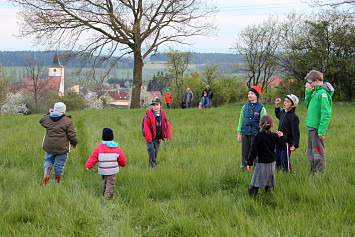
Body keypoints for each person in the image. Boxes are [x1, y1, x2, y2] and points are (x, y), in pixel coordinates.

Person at [39, 102, 78, 185]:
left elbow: (41, 120)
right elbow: (72, 134)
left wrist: (48, 113)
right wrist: (74, 143)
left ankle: (46, 174)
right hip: (62, 148)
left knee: (48, 160)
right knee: (59, 164)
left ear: (53, 110)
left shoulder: (48, 119)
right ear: (63, 112)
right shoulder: (67, 121)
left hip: (49, 146)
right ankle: (57, 180)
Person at [247, 115, 286, 197]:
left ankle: (252, 197)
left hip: (262, 163)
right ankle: (270, 195)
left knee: (256, 182)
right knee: (269, 180)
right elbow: (282, 146)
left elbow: (253, 151)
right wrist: (281, 137)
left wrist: (249, 163)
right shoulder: (274, 136)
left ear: (260, 125)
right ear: (272, 125)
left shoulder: (258, 136)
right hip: (272, 163)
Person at [305, 70, 334, 173]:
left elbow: (326, 114)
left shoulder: (322, 94)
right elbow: (308, 105)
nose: (309, 84)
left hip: (317, 129)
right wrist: (308, 92)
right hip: (311, 127)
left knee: (318, 152)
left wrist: (321, 131)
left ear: (316, 80)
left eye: (310, 82)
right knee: (311, 152)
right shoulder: (315, 92)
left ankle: (319, 174)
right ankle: (313, 171)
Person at [85, 128, 126, 199]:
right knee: (110, 184)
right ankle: (107, 197)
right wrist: (123, 164)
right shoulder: (116, 148)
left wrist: (88, 166)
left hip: (103, 170)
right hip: (112, 170)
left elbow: (93, 157)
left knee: (105, 181)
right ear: (112, 138)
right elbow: (122, 159)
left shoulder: (99, 148)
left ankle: (104, 192)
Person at [237, 86, 266, 170]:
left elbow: (264, 123)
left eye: (252, 93)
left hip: (256, 134)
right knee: (245, 152)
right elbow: (241, 120)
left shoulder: (261, 108)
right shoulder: (245, 107)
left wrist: (262, 135)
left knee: (256, 152)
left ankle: (258, 169)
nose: (250, 95)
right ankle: (244, 168)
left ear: (257, 95)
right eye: (249, 93)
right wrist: (239, 132)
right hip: (245, 132)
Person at [142, 98, 171, 167]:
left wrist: (168, 135)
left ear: (160, 106)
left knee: (155, 152)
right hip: (150, 137)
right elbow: (146, 128)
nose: (155, 107)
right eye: (153, 105)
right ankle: (153, 165)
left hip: (158, 137)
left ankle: (151, 163)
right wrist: (149, 139)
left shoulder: (163, 115)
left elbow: (167, 125)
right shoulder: (148, 116)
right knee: (151, 149)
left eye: (157, 105)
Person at [274, 94, 300, 172]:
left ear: (293, 105)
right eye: (285, 101)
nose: (285, 103)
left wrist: (295, 145)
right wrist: (277, 106)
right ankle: (277, 173)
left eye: (288, 102)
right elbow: (278, 115)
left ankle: (287, 174)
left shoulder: (294, 117)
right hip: (279, 140)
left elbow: (296, 132)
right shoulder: (284, 112)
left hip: (286, 142)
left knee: (284, 160)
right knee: (277, 159)